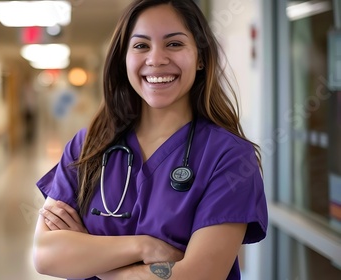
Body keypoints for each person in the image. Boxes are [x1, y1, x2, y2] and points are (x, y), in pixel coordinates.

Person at [32, 0, 268, 279]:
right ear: (124, 59)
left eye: (174, 44)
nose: (156, 59)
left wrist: (98, 264)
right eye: (141, 45)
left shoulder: (228, 156)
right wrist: (143, 247)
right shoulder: (89, 145)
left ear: (201, 57)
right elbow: (46, 256)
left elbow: (199, 275)